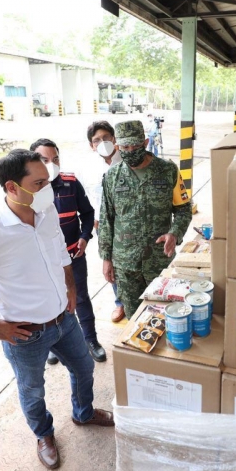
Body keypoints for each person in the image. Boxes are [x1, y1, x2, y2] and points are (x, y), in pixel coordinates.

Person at [0, 149, 114, 471]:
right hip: (26, 334)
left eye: (49, 181)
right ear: (12, 187)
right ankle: (44, 435)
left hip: (64, 319)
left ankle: (83, 412)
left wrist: (70, 288)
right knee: (32, 389)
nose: (49, 188)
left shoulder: (46, 214)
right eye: (39, 183)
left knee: (84, 367)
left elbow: (61, 252)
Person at [99, 120, 193, 319]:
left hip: (159, 260)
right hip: (125, 264)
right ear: (117, 146)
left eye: (135, 145)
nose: (130, 150)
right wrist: (106, 258)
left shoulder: (168, 171)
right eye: (125, 147)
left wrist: (174, 234)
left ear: (145, 142)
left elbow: (184, 209)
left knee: (165, 313)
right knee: (135, 317)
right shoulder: (112, 177)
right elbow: (106, 219)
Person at [29, 138, 106, 364]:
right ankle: (55, 344)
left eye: (55, 159)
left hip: (73, 257)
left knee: (80, 298)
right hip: (43, 262)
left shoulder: (71, 183)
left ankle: (90, 340)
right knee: (51, 301)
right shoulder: (27, 189)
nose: (51, 164)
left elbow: (88, 214)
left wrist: (84, 238)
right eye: (43, 160)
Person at [85, 121, 126, 323]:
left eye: (106, 138)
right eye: (96, 140)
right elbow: (89, 199)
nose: (102, 142)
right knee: (110, 268)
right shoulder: (90, 170)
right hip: (103, 228)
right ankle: (121, 304)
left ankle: (138, 301)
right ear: (91, 146)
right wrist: (94, 220)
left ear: (114, 138)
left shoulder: (128, 161)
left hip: (127, 226)